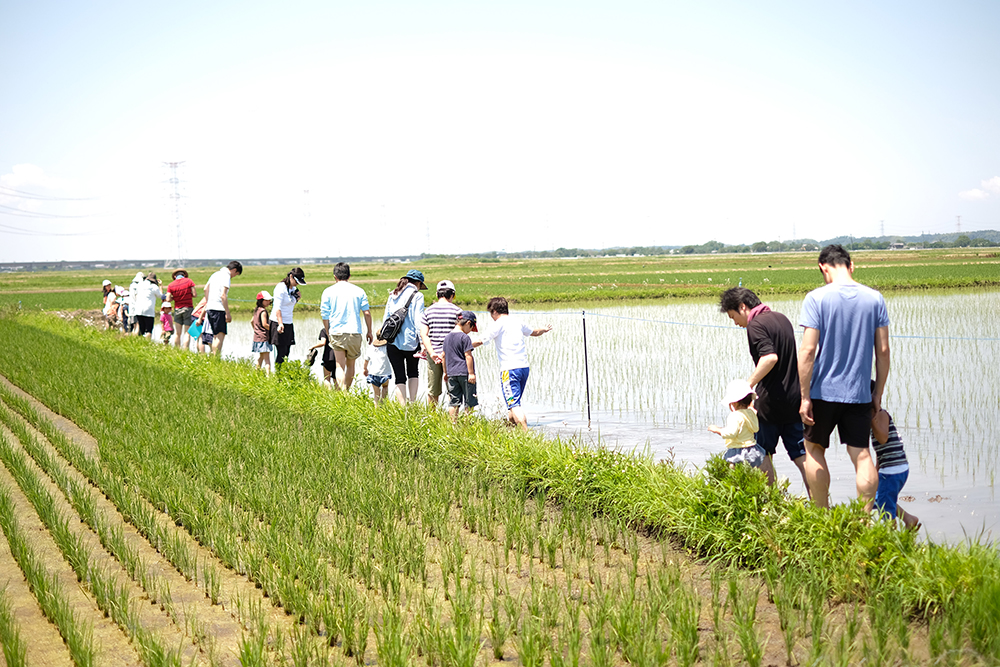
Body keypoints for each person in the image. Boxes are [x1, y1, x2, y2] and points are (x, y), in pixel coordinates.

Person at [798, 244, 890, 509]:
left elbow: (807, 351)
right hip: (859, 393)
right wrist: (877, 394)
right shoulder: (875, 299)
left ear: (823, 267)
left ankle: (821, 515)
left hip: (821, 393)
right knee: (862, 455)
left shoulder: (816, 298)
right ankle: (863, 521)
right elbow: (882, 351)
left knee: (814, 449)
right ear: (851, 266)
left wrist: (804, 397)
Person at [719, 287, 809, 493]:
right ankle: (820, 506)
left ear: (743, 307)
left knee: (761, 454)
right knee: (801, 455)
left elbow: (770, 357)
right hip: (794, 399)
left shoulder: (756, 325)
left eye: (733, 316)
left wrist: (746, 387)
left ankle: (769, 502)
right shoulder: (781, 318)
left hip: (769, 403)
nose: (735, 323)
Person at [479, 296, 553, 430]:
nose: (491, 316)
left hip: (509, 370)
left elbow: (481, 340)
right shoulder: (517, 322)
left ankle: (526, 435)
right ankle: (512, 430)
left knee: (514, 404)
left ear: (495, 311)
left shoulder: (498, 324)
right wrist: (544, 329)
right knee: (513, 401)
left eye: (491, 313)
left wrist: (460, 344)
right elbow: (534, 332)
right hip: (524, 368)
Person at [870, 381, 920, 529]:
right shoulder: (873, 419)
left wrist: (872, 418)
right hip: (890, 468)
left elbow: (883, 438)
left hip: (894, 470)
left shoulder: (881, 415)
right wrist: (875, 469)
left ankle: (889, 535)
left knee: (885, 505)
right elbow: (881, 450)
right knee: (879, 498)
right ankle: (909, 519)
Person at [320, 262, 373, 390]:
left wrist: (328, 331)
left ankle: (341, 392)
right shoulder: (359, 291)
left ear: (335, 276)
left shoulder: (328, 291)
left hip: (336, 332)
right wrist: (369, 331)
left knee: (339, 366)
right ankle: (346, 391)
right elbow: (366, 313)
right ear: (349, 276)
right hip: (355, 331)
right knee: (351, 365)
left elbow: (325, 316)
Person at [383, 269, 428, 403]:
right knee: (413, 372)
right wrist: (422, 342)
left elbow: (386, 318)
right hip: (411, 342)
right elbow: (418, 320)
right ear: (418, 283)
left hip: (392, 341)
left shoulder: (393, 294)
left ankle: (403, 410)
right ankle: (412, 403)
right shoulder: (417, 295)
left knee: (399, 376)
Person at [419, 280, 463, 405]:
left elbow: (424, 334)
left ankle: (432, 418)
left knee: (433, 390)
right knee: (453, 389)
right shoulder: (458, 311)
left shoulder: (428, 311)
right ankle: (452, 421)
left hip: (434, 354)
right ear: (452, 295)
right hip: (452, 355)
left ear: (437, 294)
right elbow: (461, 334)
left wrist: (432, 353)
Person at [708, 379, 766, 469]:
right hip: (753, 451)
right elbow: (756, 429)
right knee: (750, 474)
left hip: (739, 452)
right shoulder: (751, 413)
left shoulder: (735, 416)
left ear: (733, 403)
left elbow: (731, 433)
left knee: (733, 473)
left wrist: (717, 430)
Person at [442, 311, 479, 421]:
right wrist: (471, 373)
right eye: (471, 327)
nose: (470, 331)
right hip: (465, 373)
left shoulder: (447, 337)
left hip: (452, 374)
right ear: (468, 323)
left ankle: (454, 424)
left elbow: (443, 356)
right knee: (469, 401)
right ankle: (467, 424)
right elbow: (468, 356)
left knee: (454, 401)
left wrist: (446, 372)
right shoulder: (464, 337)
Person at [204, 261, 243, 356]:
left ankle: (213, 357)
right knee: (220, 336)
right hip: (219, 309)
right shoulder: (226, 276)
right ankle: (216, 358)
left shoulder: (215, 274)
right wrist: (228, 313)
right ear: (234, 270)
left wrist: (209, 302)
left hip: (210, 308)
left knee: (215, 336)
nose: (234, 276)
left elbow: (205, 289)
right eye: (236, 274)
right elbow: (223, 296)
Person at [270, 267, 307, 366]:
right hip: (278, 322)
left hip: (289, 322)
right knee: (281, 352)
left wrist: (297, 298)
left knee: (287, 352)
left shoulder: (294, 288)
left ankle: (283, 374)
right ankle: (278, 377)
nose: (297, 284)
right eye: (297, 281)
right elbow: (277, 307)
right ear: (291, 276)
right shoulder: (280, 288)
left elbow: (291, 303)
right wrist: (280, 323)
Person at [166, 269, 197, 350]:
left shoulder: (171, 285)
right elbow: (194, 294)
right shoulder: (189, 281)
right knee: (187, 333)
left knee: (178, 333)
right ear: (184, 275)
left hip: (177, 309)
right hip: (188, 308)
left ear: (175, 276)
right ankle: (185, 350)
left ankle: (177, 350)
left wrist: (175, 297)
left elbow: (168, 299)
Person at [132, 272, 166, 339]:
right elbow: (160, 295)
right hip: (148, 311)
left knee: (140, 328)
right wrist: (161, 286)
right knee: (148, 330)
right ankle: (147, 344)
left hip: (138, 309)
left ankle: (138, 342)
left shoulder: (140, 284)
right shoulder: (154, 287)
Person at [363, 338, 393, 404]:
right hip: (385, 373)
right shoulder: (387, 348)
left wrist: (365, 369)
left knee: (376, 393)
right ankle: (383, 402)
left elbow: (366, 360)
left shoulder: (371, 348)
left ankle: (376, 407)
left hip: (373, 374)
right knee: (385, 387)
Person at [251, 291, 273, 373]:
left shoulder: (257, 310)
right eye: (266, 300)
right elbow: (264, 324)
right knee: (267, 359)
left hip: (257, 337)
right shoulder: (263, 311)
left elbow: (252, 321)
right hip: (264, 338)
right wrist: (273, 330)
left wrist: (256, 330)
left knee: (261, 357)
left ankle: (257, 373)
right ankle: (268, 376)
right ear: (261, 301)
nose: (268, 302)